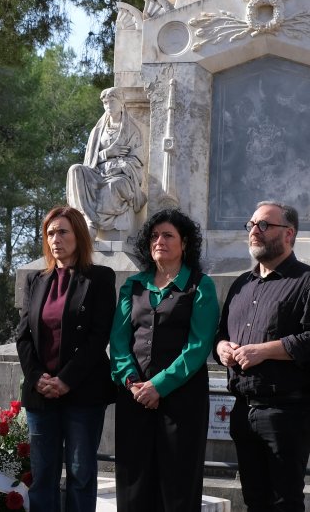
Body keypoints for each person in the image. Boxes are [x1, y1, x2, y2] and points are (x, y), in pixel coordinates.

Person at [215, 201, 310, 512]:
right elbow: (220, 334)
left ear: (289, 233)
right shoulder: (241, 284)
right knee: (254, 500)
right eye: (251, 225)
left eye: (264, 225)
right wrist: (222, 348)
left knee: (284, 502)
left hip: (286, 413)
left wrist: (262, 351)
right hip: (242, 409)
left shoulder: (309, 281)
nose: (254, 231)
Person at [110, 208, 219, 511]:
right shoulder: (132, 286)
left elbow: (198, 347)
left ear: (185, 243)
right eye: (155, 236)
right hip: (134, 400)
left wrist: (158, 386)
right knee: (134, 485)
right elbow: (119, 343)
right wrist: (134, 384)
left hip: (181, 403)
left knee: (177, 488)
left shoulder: (201, 286)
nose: (160, 241)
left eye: (168, 235)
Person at [15, 206, 116, 512]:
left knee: (80, 473)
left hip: (82, 393)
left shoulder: (99, 277)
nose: (55, 239)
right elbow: (24, 336)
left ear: (78, 236)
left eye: (62, 232)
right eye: (50, 233)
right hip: (41, 394)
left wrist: (66, 380)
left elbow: (99, 336)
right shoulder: (36, 280)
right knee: (43, 475)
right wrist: (37, 378)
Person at [67, 87, 144, 236]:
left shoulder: (133, 130)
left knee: (114, 186)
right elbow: (89, 160)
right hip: (97, 172)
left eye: (112, 101)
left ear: (121, 103)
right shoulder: (98, 130)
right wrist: (107, 153)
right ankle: (87, 219)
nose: (108, 106)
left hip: (120, 175)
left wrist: (116, 165)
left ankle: (94, 223)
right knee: (75, 170)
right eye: (105, 102)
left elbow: (136, 161)